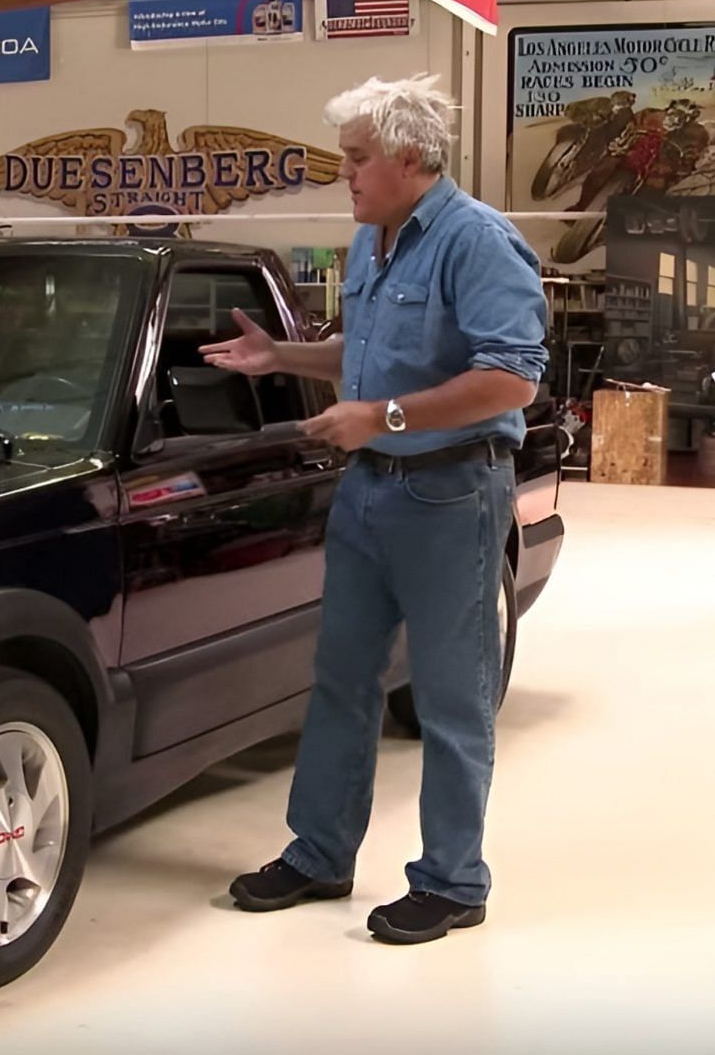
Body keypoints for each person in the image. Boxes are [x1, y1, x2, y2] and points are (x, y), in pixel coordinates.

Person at [200, 74, 548, 945]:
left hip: (450, 495)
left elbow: (513, 376)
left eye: (356, 160)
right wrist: (280, 353)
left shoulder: (478, 242)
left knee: (450, 697)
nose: (344, 175)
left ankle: (453, 880)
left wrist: (383, 419)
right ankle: (319, 853)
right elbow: (373, 354)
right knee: (342, 682)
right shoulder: (374, 243)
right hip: (367, 495)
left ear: (407, 157)